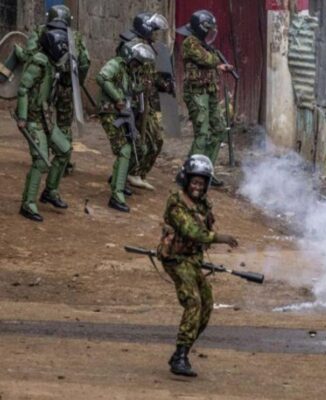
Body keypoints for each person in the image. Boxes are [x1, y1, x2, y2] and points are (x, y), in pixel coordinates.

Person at [158, 154, 239, 377]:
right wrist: (219, 238)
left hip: (193, 260)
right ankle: (181, 356)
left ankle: (181, 352)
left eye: (201, 184)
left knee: (207, 304)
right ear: (186, 180)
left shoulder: (203, 204)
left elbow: (202, 229)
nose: (197, 187)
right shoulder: (176, 202)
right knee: (192, 301)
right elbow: (190, 231)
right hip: (176, 259)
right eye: (194, 182)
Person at [20, 5, 90, 177]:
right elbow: (84, 63)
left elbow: (29, 56)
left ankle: (41, 155)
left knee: (39, 118)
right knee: (64, 124)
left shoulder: (39, 32)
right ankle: (62, 161)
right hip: (66, 86)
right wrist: (77, 82)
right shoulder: (74, 37)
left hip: (43, 82)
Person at [16, 29, 72, 222]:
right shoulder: (39, 62)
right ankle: (28, 204)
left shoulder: (51, 63)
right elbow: (23, 88)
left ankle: (50, 191)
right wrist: (22, 118)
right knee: (40, 161)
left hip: (45, 117)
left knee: (64, 150)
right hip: (32, 118)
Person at [176, 10, 236, 187]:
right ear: (201, 28)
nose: (211, 33)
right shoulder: (190, 43)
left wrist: (219, 65)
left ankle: (206, 170)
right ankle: (189, 173)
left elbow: (210, 63)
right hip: (196, 93)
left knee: (218, 129)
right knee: (202, 134)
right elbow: (207, 60)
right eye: (208, 29)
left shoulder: (202, 43)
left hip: (208, 92)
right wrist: (218, 62)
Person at [96, 42, 156, 212]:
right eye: (136, 62)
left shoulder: (131, 73)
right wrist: (117, 99)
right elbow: (102, 77)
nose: (137, 66)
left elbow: (131, 91)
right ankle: (116, 194)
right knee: (124, 149)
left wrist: (142, 88)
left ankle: (118, 179)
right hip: (110, 112)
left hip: (125, 115)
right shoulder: (116, 64)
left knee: (140, 148)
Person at [116, 12, 171, 191]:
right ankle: (124, 175)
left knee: (155, 140)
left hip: (147, 100)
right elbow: (126, 72)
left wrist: (165, 84)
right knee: (135, 140)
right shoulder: (130, 46)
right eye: (154, 31)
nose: (156, 35)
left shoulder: (150, 46)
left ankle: (136, 173)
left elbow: (152, 74)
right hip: (132, 100)